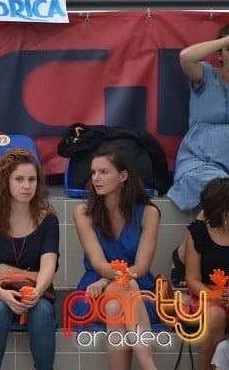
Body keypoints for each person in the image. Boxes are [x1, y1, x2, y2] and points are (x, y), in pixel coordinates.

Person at [72, 145, 160, 370]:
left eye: (104, 172)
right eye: (93, 173)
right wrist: (109, 280)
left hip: (139, 289)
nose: (96, 179)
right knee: (122, 291)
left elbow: (141, 266)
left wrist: (112, 280)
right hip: (94, 291)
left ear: (123, 176)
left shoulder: (149, 213)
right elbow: (99, 264)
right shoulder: (83, 213)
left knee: (115, 305)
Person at [0, 148, 59, 370]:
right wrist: (4, 295)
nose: (27, 186)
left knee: (42, 311)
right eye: (19, 179)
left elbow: (49, 266)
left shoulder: (48, 221)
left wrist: (37, 293)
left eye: (32, 179)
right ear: (5, 182)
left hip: (32, 291)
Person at [167, 25, 229, 211]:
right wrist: (226, 40)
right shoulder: (206, 74)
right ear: (220, 55)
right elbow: (186, 57)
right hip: (201, 159)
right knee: (219, 187)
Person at [183, 177, 229, 370]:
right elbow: (192, 279)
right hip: (205, 295)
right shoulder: (198, 233)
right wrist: (215, 296)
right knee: (215, 316)